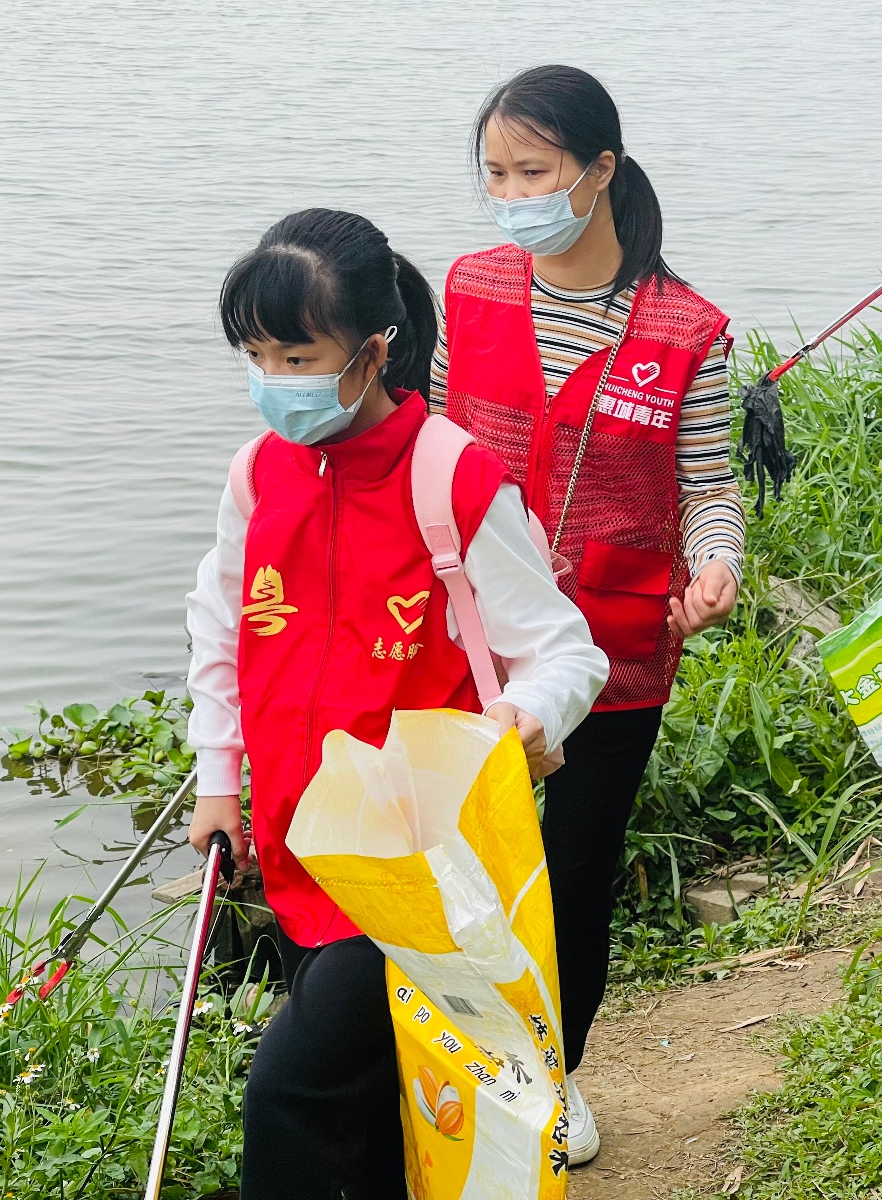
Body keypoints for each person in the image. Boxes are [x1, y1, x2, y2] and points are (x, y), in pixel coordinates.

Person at [183, 208, 608, 1200]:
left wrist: (525, 719)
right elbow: (218, 630)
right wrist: (219, 783)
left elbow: (563, 652)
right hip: (299, 845)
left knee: (288, 1094)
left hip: (421, 864)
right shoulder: (257, 476)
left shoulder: (449, 477)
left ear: (373, 353)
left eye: (298, 354)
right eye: (254, 354)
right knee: (374, 1114)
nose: (273, 379)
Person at [430, 64, 745, 1164]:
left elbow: (708, 490)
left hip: (613, 657)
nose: (512, 193)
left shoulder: (684, 327)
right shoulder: (468, 290)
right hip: (470, 646)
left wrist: (715, 566)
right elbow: (417, 447)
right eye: (496, 174)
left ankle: (551, 1082)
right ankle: (456, 1078)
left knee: (570, 879)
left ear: (600, 170)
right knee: (460, 879)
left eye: (535, 171)